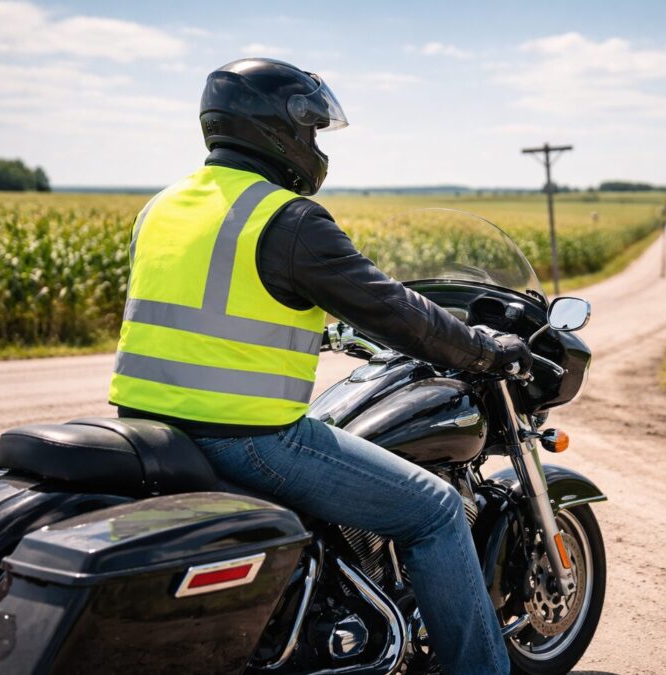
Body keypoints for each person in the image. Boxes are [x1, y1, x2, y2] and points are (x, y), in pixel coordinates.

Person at [109, 58, 529, 675]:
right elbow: (395, 310)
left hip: (150, 431)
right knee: (435, 510)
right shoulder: (286, 218)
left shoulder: (163, 207)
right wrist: (484, 350)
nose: (316, 146)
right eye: (313, 130)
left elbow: (214, 306)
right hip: (247, 439)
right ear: (281, 128)